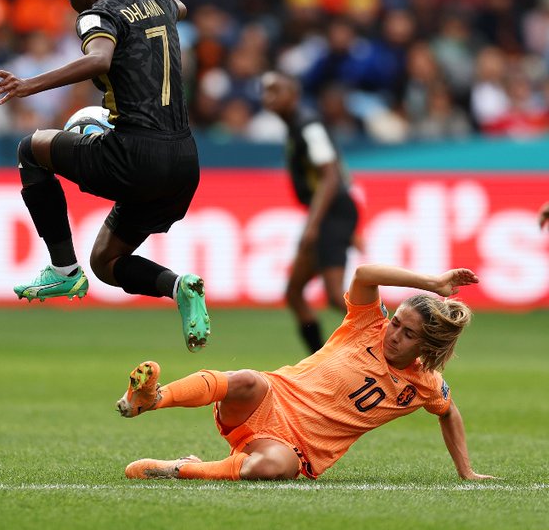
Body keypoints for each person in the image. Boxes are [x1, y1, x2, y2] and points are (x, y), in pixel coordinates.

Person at [0, 0, 209, 352]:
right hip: (184, 164)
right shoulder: (155, 0)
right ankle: (179, 287)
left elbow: (100, 59)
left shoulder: (95, 15)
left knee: (31, 148)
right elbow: (180, 5)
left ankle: (63, 269)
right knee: (106, 262)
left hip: (136, 156)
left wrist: (29, 84)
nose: (69, 2)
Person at [117, 263, 494, 482]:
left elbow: (449, 413)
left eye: (407, 333)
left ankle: (185, 469)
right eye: (396, 322)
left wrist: (467, 471)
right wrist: (431, 284)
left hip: (293, 449)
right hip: (268, 400)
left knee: (266, 470)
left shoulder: (425, 385)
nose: (393, 334)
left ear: (426, 348)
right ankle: (153, 398)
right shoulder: (367, 325)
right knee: (247, 378)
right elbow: (364, 273)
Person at [261, 71, 359, 353]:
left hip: (332, 212)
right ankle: (318, 360)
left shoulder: (308, 126)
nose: (269, 97)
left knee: (333, 295)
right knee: (294, 293)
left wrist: (313, 226)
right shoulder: (296, 126)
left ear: (294, 95)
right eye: (266, 91)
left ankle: (390, 331)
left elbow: (330, 177)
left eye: (275, 90)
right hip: (330, 211)